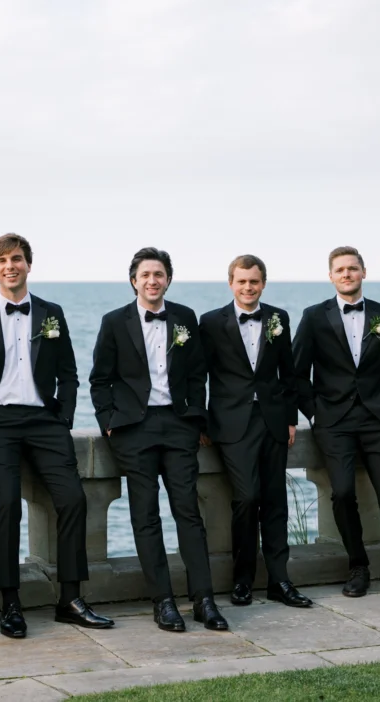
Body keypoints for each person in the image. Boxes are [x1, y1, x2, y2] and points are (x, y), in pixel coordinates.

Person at [0, 233, 113, 638]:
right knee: (7, 506)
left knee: (73, 499)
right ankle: (10, 604)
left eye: (17, 258)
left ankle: (70, 600)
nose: (10, 266)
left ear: (28, 264)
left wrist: (64, 418)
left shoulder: (51, 313)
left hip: (44, 421)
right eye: (2, 260)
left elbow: (69, 374)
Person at [90, 247, 228, 632]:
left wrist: (197, 420)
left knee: (189, 513)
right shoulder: (114, 321)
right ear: (134, 280)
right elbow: (99, 379)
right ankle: (163, 603)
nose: (153, 280)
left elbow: (198, 372)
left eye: (159, 274)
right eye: (145, 274)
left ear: (168, 279)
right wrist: (109, 424)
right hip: (134, 431)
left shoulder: (184, 318)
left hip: (179, 424)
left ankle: (204, 600)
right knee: (146, 516)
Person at [292, 246, 380, 612]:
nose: (347, 274)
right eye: (340, 270)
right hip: (333, 423)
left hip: (378, 421)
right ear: (331, 276)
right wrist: (315, 414)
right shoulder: (313, 317)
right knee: (342, 493)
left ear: (364, 272)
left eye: (353, 268)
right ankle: (358, 566)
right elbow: (296, 373)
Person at [199, 254, 312, 609]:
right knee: (246, 498)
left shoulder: (279, 318)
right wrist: (201, 421)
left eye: (255, 281)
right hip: (231, 424)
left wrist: (291, 417)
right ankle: (243, 581)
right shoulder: (210, 322)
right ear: (231, 283)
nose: (248, 287)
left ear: (263, 283)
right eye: (242, 281)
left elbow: (289, 372)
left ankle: (280, 580)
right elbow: (198, 374)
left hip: (273, 421)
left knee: (275, 502)